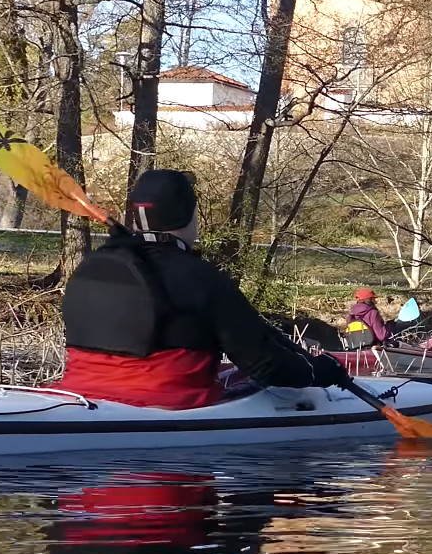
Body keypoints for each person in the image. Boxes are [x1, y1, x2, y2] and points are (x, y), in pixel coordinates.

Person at [56, 170, 348, 409]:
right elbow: (267, 365)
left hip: (73, 397)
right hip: (167, 406)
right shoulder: (202, 277)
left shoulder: (90, 267)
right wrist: (318, 371)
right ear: (187, 216)